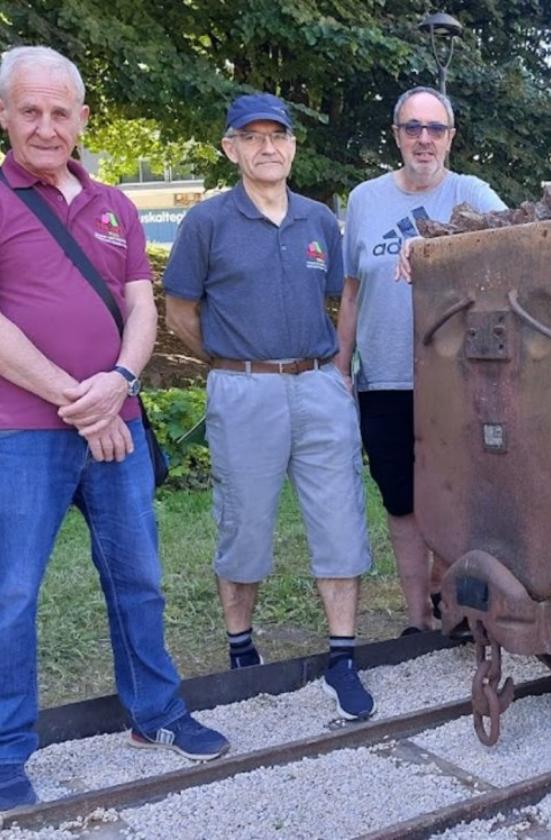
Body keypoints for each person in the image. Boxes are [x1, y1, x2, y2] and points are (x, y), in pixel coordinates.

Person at [0, 46, 229, 811]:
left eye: (60, 111)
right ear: (5, 115)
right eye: (29, 109)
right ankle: (5, 754)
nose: (45, 125)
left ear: (82, 119)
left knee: (138, 581)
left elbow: (141, 308)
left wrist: (122, 383)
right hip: (22, 429)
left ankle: (155, 715)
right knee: (11, 595)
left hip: (118, 426)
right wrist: (80, 398)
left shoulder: (116, 207)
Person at [163, 93, 375, 721]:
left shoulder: (317, 221)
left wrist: (339, 366)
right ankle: (241, 653)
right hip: (244, 390)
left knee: (339, 517)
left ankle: (343, 656)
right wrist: (231, 364)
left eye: (276, 136)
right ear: (231, 148)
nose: (266, 147)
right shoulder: (207, 222)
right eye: (251, 137)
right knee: (245, 522)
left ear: (291, 146)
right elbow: (179, 311)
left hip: (317, 386)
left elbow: (345, 296)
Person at [335, 86, 505, 634]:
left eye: (436, 129)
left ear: (451, 138)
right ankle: (416, 621)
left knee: (455, 497)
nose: (424, 139)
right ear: (396, 134)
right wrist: (341, 366)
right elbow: (353, 291)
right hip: (383, 377)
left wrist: (440, 241)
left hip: (456, 380)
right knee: (402, 502)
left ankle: (453, 606)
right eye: (413, 127)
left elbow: (515, 245)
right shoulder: (364, 200)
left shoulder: (472, 192)